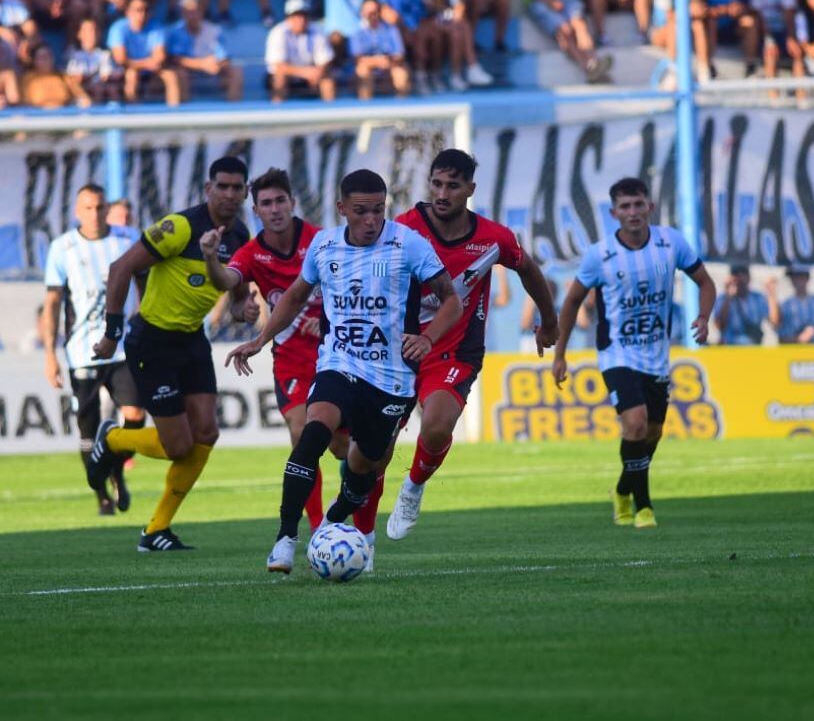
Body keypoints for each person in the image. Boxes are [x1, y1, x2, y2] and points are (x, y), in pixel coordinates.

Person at [225, 169, 462, 573]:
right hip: (339, 362)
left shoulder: (409, 244)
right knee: (312, 431)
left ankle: (335, 524)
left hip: (391, 379)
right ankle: (285, 538)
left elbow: (451, 301)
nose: (371, 221)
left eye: (377, 210)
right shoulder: (325, 244)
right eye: (360, 212)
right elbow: (295, 297)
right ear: (341, 210)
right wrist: (261, 339)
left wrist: (427, 338)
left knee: (365, 466)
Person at [83, 157, 255, 552]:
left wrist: (241, 310)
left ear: (244, 193)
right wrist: (111, 334)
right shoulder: (179, 227)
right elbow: (121, 268)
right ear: (208, 189)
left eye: (236, 188)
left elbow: (235, 298)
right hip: (153, 342)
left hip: (192, 340)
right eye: (222, 186)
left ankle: (156, 530)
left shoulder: (240, 237)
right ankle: (114, 441)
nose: (229, 194)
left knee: (207, 433)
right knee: (178, 446)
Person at [384, 150, 558, 540]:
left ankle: (412, 487)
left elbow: (528, 269)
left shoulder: (493, 238)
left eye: (453, 185)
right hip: (400, 348)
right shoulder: (404, 228)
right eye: (437, 184)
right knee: (374, 450)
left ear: (470, 189)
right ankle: (363, 535)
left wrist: (550, 321)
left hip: (453, 350)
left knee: (436, 427)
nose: (443, 193)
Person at [551, 176, 716, 529]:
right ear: (614, 213)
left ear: (650, 207)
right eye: (625, 206)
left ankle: (624, 489)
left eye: (639, 204)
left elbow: (705, 281)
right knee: (635, 422)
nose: (633, 212)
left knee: (651, 434)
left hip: (656, 356)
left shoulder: (671, 243)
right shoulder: (600, 255)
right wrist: (559, 353)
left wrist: (703, 317)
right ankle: (644, 507)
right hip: (616, 354)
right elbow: (572, 301)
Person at [198, 168, 349, 532]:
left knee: (344, 449)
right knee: (302, 433)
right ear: (256, 211)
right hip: (292, 360)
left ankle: (351, 503)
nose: (275, 209)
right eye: (266, 203)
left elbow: (351, 289)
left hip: (339, 355)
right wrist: (210, 261)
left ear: (293, 203)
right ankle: (318, 528)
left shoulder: (322, 241)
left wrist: (329, 320)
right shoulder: (251, 253)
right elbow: (228, 282)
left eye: (281, 200)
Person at [44, 183, 146, 516]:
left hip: (123, 349)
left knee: (135, 417)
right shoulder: (63, 247)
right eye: (87, 208)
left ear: (107, 209)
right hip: (81, 351)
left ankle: (116, 467)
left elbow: (146, 283)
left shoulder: (128, 238)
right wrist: (50, 355)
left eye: (100, 207)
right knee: (87, 432)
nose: (95, 213)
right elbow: (53, 302)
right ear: (77, 211)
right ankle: (101, 492)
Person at [166, 0, 243, 102]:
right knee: (178, 73)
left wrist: (217, 64)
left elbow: (224, 57)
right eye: (188, 12)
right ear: (182, 13)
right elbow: (174, 59)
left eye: (195, 11)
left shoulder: (214, 30)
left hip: (211, 68)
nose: (192, 15)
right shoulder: (175, 32)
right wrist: (201, 64)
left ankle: (233, 111)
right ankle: (183, 112)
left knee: (236, 71)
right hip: (188, 71)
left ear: (202, 11)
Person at [108, 0, 182, 104]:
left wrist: (143, 64)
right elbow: (120, 60)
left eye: (146, 9)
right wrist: (145, 64)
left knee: (171, 76)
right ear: (128, 12)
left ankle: (175, 114)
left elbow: (159, 57)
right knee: (132, 75)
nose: (142, 13)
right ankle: (133, 115)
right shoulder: (118, 29)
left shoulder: (157, 28)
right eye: (138, 10)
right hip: (126, 70)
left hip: (151, 70)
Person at [265, 0, 337, 102]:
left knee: (327, 80)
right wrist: (306, 73)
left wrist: (318, 72)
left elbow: (325, 60)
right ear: (288, 18)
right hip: (291, 76)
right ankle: (277, 114)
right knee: (279, 78)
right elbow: (278, 67)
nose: (301, 19)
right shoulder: (278, 33)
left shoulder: (317, 30)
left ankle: (332, 114)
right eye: (296, 15)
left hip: (310, 76)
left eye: (304, 15)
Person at [349, 0, 411, 99]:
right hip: (367, 66)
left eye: (374, 12)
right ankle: (365, 109)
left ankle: (401, 109)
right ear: (362, 13)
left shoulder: (391, 30)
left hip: (390, 64)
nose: (372, 15)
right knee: (362, 71)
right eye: (368, 12)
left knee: (401, 74)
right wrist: (378, 61)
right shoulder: (356, 31)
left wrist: (388, 62)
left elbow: (399, 54)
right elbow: (357, 58)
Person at [770, 268, 814, 344]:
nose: (796, 280)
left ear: (807, 278)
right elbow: (775, 323)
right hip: (793, 351)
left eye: (800, 276)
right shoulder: (786, 305)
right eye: (793, 277)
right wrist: (771, 292)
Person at [23, 42, 92, 108]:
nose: (47, 59)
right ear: (35, 61)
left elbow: (83, 98)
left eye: (49, 55)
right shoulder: (28, 79)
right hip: (36, 118)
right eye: (42, 57)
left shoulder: (64, 77)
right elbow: (23, 105)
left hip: (63, 116)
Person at [714, 263, 769, 345]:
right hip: (730, 348)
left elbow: (775, 322)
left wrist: (771, 292)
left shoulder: (758, 298)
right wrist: (728, 297)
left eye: (743, 274)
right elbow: (720, 325)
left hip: (753, 348)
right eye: (736, 274)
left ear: (749, 277)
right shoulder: (722, 299)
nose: (740, 278)